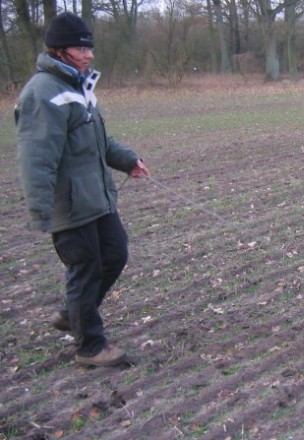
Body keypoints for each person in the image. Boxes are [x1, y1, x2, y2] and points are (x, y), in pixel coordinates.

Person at [15, 12, 150, 367]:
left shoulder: (79, 87)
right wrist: (41, 211)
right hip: (70, 205)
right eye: (80, 48)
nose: (88, 55)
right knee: (85, 268)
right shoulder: (42, 93)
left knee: (115, 254)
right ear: (59, 50)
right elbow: (36, 158)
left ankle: (73, 314)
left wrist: (128, 160)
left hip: (97, 197)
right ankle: (89, 346)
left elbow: (100, 141)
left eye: (89, 48)